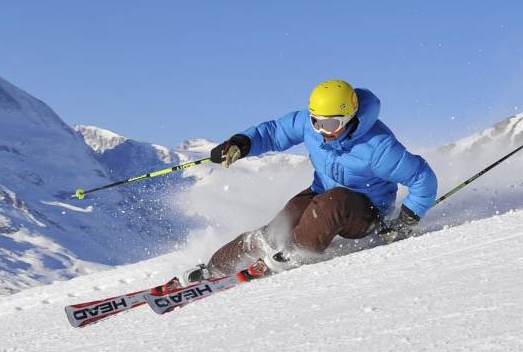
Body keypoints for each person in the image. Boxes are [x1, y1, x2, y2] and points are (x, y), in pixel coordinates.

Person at [187, 79, 437, 283]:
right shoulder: (310, 126)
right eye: (316, 121)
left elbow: (422, 179)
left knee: (333, 202)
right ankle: (216, 269)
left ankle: (294, 255)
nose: (322, 131)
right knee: (286, 220)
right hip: (323, 194)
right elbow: (274, 132)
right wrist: (242, 144)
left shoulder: (378, 146)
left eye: (331, 124)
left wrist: (404, 222)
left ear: (350, 117)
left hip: (366, 211)